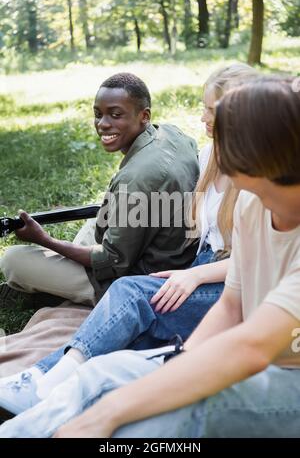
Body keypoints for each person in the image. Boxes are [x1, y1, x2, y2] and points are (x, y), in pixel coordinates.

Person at [0, 74, 299, 438]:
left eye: (223, 127)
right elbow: (231, 306)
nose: (209, 128)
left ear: (262, 150)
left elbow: (250, 347)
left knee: (145, 420)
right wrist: (176, 363)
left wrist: (110, 412)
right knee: (100, 374)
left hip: (287, 378)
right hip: (244, 350)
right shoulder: (251, 204)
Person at [0, 72, 199, 307]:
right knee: (96, 220)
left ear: (144, 116)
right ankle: (52, 282)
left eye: (115, 115)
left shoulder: (138, 178)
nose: (103, 124)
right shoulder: (172, 134)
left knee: (13, 260)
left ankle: (56, 292)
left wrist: (43, 239)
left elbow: (112, 261)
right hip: (170, 248)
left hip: (139, 280)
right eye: (98, 114)